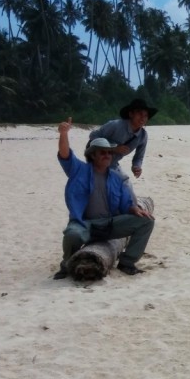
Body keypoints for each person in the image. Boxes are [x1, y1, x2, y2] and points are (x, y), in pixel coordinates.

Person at [53, 117, 155, 280]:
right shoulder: (78, 170)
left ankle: (127, 262)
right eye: (102, 152)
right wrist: (63, 134)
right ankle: (66, 265)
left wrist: (134, 208)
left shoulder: (117, 178)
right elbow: (65, 155)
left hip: (110, 224)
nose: (107, 155)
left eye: (109, 152)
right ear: (93, 155)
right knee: (72, 234)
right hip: (85, 224)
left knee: (147, 221)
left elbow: (126, 204)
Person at [88, 98, 158, 200]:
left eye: (146, 115)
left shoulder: (142, 136)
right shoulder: (116, 125)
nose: (143, 118)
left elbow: (139, 157)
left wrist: (136, 167)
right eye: (140, 114)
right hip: (96, 164)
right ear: (131, 114)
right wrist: (114, 147)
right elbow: (93, 136)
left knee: (127, 188)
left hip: (113, 165)